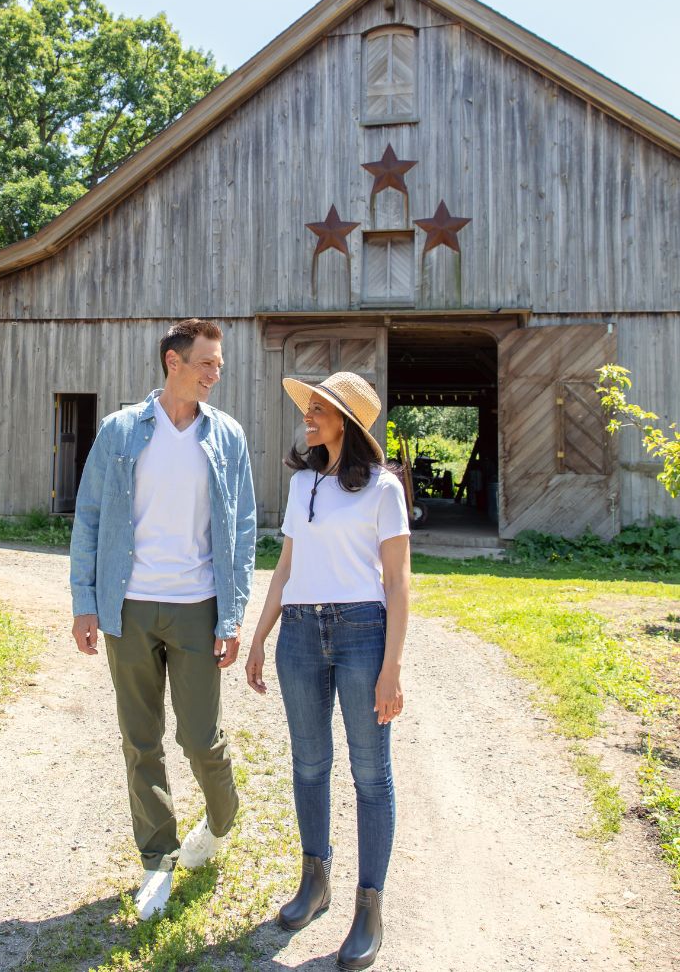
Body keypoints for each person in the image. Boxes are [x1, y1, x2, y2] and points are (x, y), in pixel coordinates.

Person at [69, 318, 257, 920]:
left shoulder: (226, 436)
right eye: (206, 363)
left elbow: (245, 529)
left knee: (201, 737)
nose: (215, 373)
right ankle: (157, 858)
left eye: (219, 365)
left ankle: (222, 820)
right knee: (140, 740)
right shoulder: (121, 431)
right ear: (173, 362)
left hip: (199, 605)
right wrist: (85, 602)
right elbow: (90, 517)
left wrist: (233, 613)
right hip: (129, 607)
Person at [245, 372, 410, 971]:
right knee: (309, 764)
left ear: (348, 422)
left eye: (319, 409)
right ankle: (315, 881)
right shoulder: (302, 484)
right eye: (310, 408)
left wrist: (392, 667)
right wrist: (261, 635)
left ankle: (370, 907)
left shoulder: (384, 490)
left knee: (371, 772)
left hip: (363, 632)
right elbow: (287, 566)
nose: (308, 416)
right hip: (299, 635)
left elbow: (397, 582)